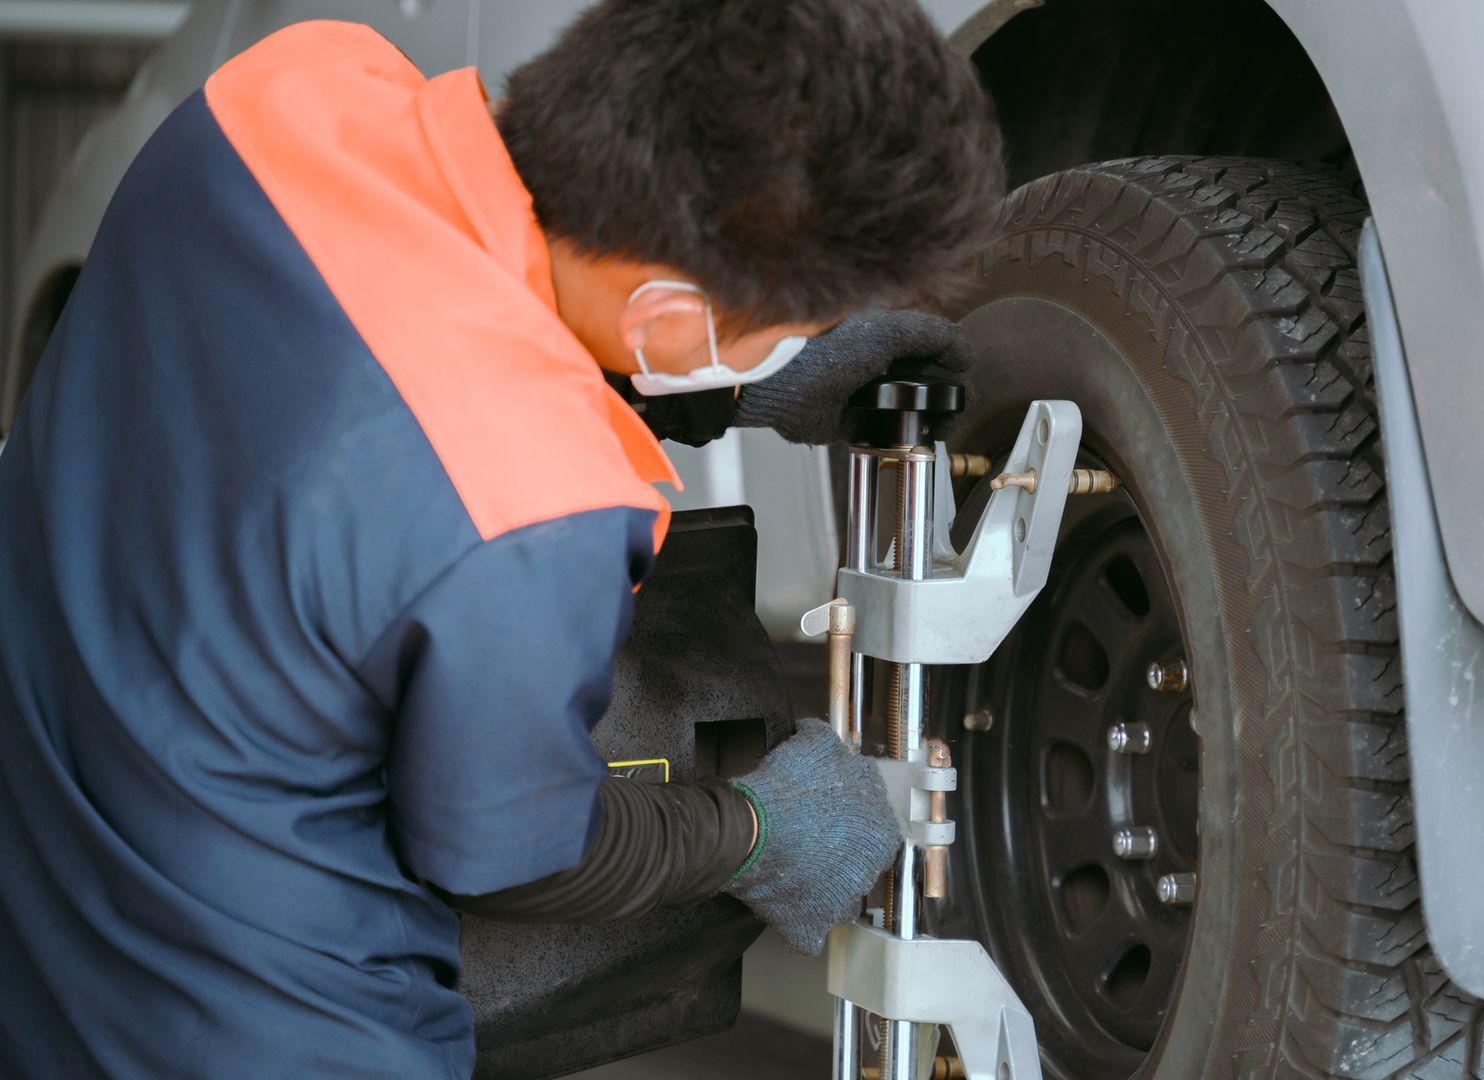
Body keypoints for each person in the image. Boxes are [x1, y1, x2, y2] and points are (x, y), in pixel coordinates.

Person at [0, 1, 1004, 1075]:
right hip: (252, 1031)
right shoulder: (531, 504)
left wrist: (687, 390)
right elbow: (511, 853)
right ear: (667, 313)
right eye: (793, 327)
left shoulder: (283, 91)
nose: (794, 348)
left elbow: (351, 368)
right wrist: (753, 831)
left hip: (35, 888)